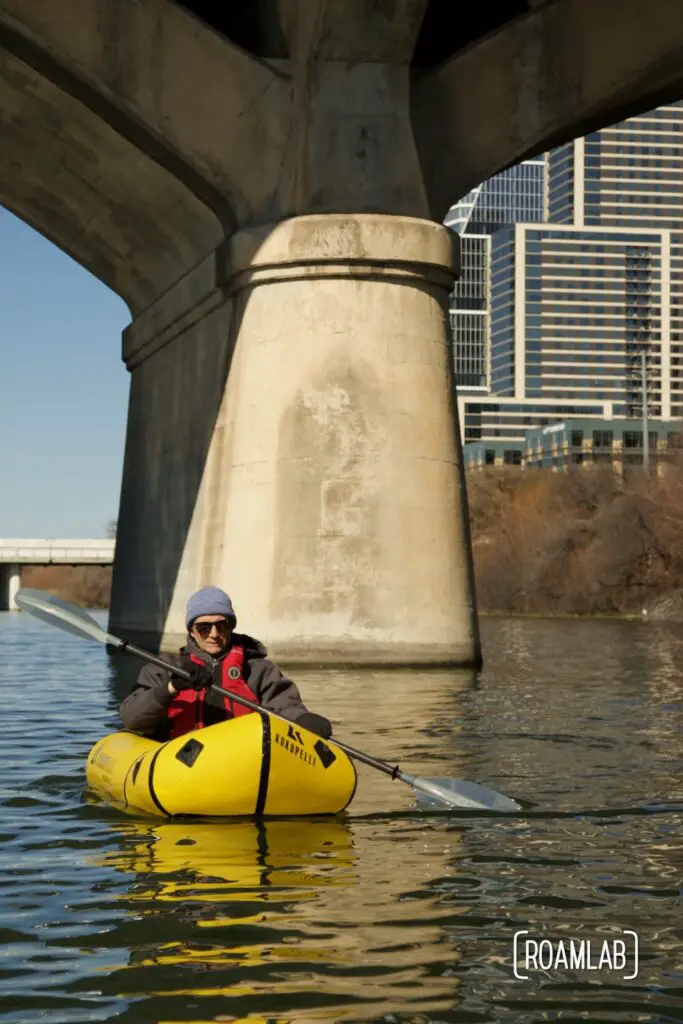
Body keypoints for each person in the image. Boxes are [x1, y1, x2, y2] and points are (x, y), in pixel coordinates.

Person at [119, 586, 332, 742]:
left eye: (222, 625)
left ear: (231, 626)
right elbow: (132, 719)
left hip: (243, 763)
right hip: (180, 766)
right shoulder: (163, 669)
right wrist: (171, 688)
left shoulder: (259, 670)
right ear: (191, 631)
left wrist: (303, 720)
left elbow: (285, 707)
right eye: (204, 627)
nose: (214, 635)